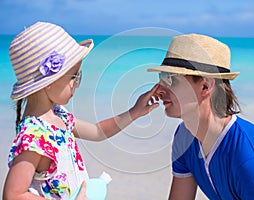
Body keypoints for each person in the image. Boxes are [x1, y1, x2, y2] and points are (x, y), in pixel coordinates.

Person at [3, 21, 159, 200]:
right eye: (74, 76)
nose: (77, 83)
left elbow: (98, 131)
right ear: (49, 82)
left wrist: (134, 112)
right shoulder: (34, 136)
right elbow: (13, 194)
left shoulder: (59, 115)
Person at [147, 34, 254, 199]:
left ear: (205, 86)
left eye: (171, 80)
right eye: (162, 77)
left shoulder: (251, 162)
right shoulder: (184, 137)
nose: (159, 90)